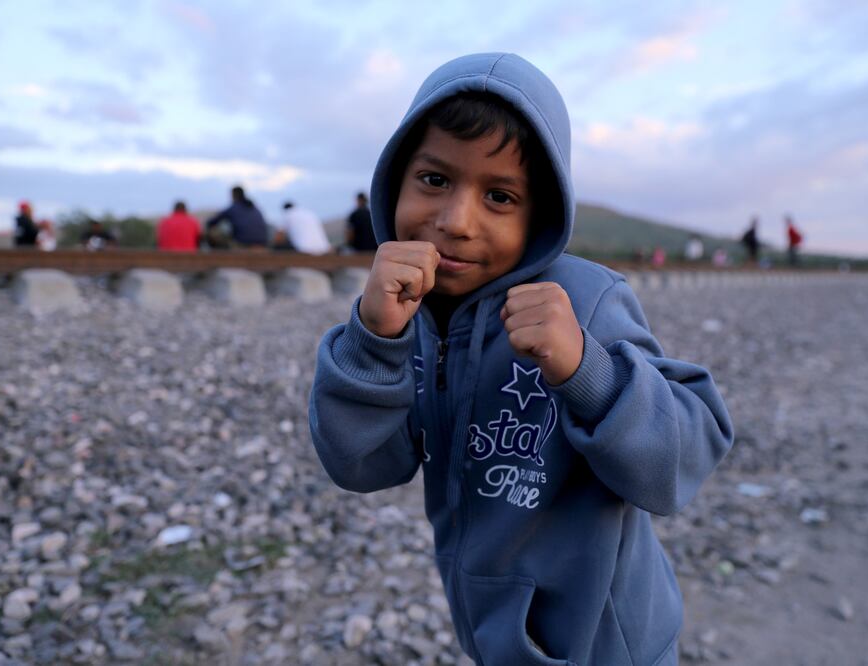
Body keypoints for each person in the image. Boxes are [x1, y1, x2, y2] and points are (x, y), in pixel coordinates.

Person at [309, 53, 733, 665]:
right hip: (492, 635)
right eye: (433, 180)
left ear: (540, 216)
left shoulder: (584, 302)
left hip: (606, 647)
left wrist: (588, 373)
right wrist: (373, 345)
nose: (455, 222)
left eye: (500, 196)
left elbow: (677, 468)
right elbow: (363, 467)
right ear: (394, 179)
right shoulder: (403, 315)